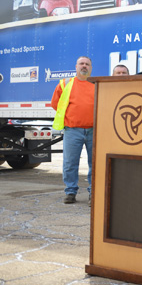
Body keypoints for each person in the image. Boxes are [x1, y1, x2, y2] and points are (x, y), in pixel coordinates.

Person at [51, 56, 95, 205]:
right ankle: (70, 192)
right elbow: (56, 104)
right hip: (72, 130)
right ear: (76, 67)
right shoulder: (65, 83)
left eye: (87, 64)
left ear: (91, 68)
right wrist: (72, 117)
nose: (84, 66)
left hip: (93, 130)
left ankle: (93, 193)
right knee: (70, 163)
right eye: (81, 64)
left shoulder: (97, 84)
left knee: (94, 164)